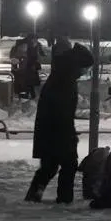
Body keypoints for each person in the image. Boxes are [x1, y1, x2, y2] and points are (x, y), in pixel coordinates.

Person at [27, 42, 93, 204]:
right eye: (85, 68)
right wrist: (69, 134)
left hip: (51, 131)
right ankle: (63, 199)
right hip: (58, 132)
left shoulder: (62, 74)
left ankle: (35, 195)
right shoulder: (65, 79)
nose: (84, 72)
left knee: (49, 166)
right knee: (68, 165)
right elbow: (61, 111)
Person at [11, 33, 43, 101]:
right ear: (32, 39)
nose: (36, 41)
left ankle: (25, 95)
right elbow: (32, 56)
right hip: (26, 67)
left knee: (26, 82)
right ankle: (27, 96)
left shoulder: (21, 44)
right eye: (35, 39)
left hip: (23, 67)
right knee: (27, 81)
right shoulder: (27, 45)